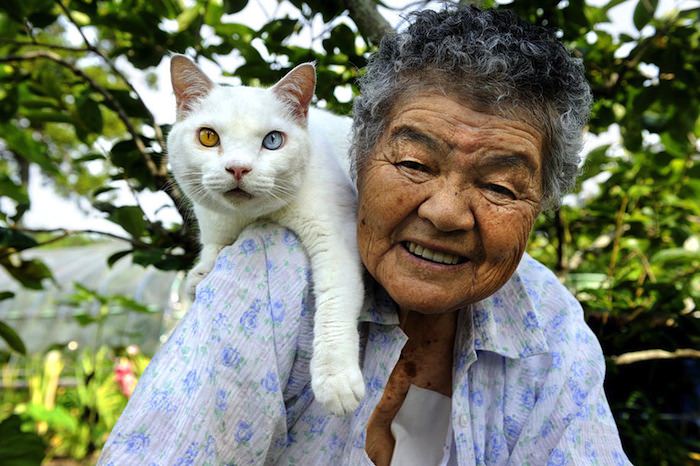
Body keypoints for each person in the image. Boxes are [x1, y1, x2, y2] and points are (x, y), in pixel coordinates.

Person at [99, 5, 631, 466]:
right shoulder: (264, 277)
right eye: (415, 163)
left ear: (541, 203)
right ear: (358, 158)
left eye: (498, 184)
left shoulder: (547, 324)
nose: (446, 214)